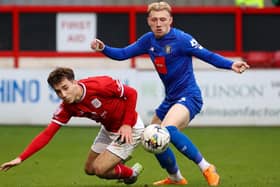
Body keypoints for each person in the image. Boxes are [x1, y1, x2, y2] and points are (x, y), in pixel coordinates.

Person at [90, 1, 250, 186]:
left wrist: (231, 64)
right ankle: (175, 177)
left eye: (163, 19)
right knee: (150, 137)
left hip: (189, 96)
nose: (159, 23)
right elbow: (123, 53)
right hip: (171, 99)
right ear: (149, 21)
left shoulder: (182, 39)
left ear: (170, 21)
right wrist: (103, 48)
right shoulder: (148, 40)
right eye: (154, 19)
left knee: (166, 131)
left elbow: (207, 55)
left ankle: (207, 167)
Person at [0, 67, 145, 185]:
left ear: (74, 82)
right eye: (58, 91)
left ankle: (129, 170)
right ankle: (125, 169)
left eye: (65, 87)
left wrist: (126, 124)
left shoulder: (100, 85)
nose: (63, 94)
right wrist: (20, 158)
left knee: (100, 169)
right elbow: (47, 134)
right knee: (89, 169)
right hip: (108, 129)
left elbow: (132, 93)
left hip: (129, 128)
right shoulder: (67, 107)